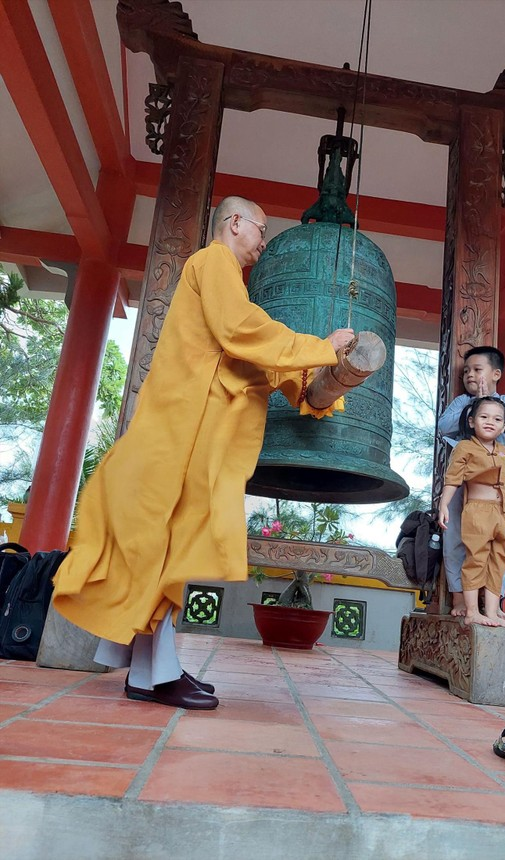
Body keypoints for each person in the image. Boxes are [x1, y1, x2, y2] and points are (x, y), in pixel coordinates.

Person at [52, 196, 354, 709]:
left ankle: (150, 672)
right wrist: (319, 347)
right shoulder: (212, 262)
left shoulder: (226, 284)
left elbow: (244, 357)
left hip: (192, 437)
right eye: (261, 229)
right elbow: (241, 333)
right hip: (179, 434)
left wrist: (307, 385)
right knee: (166, 548)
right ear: (234, 223)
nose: (264, 242)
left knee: (170, 549)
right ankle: (155, 673)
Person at [437, 346, 505, 616]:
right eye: (466, 371)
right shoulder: (461, 403)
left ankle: (494, 604)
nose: (470, 375)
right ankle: (459, 598)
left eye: (477, 369)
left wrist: (490, 404)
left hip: (498, 490)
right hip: (464, 485)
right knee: (456, 538)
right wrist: (474, 405)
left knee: (499, 546)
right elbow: (444, 427)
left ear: (496, 374)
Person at [437, 396, 505, 628]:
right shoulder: (465, 447)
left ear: (503, 426)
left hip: (500, 512)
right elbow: (453, 479)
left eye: (497, 419)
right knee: (476, 558)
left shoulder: (503, 451)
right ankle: (472, 611)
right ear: (472, 421)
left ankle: (491, 612)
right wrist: (444, 505)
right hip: (477, 511)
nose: (490, 422)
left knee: (498, 561)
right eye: (484, 417)